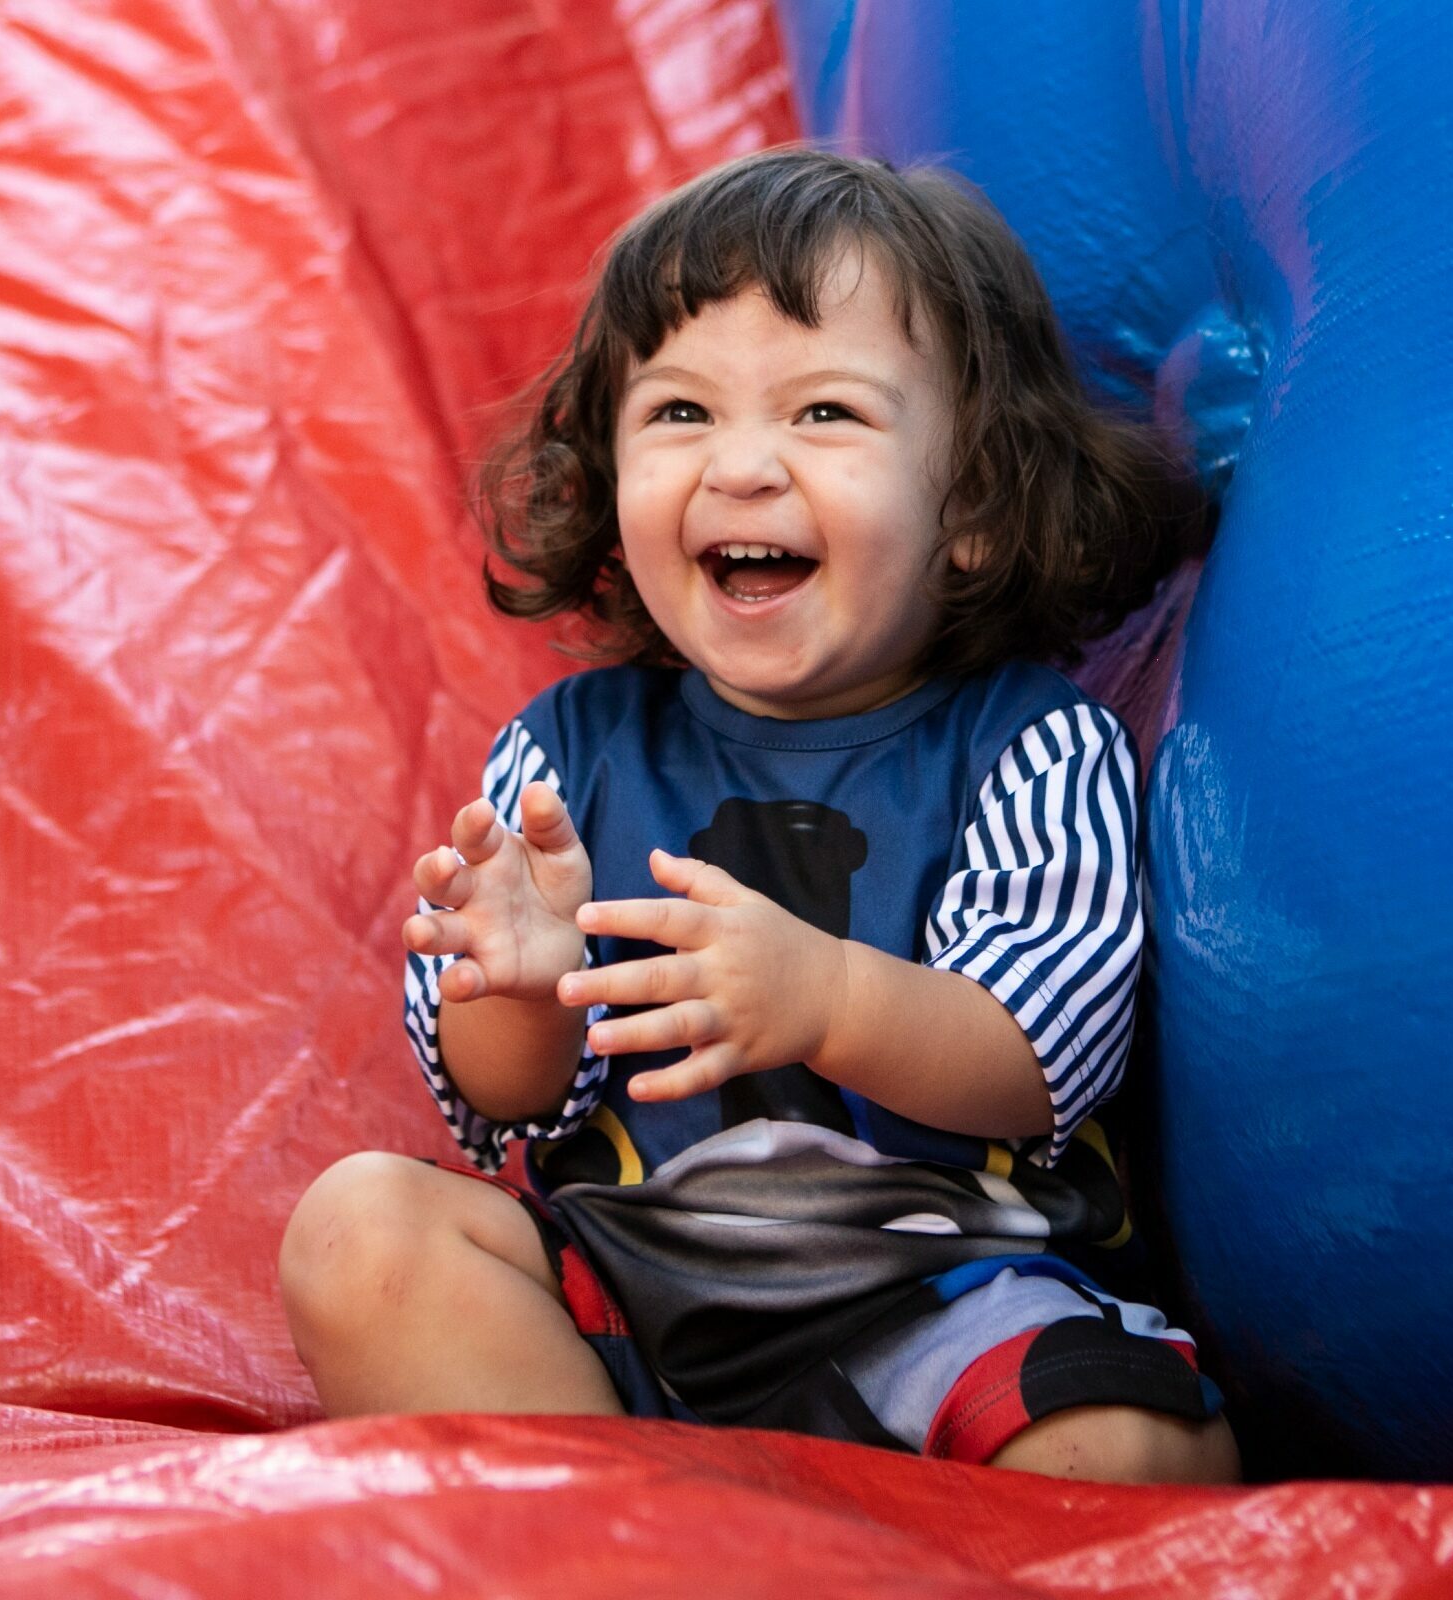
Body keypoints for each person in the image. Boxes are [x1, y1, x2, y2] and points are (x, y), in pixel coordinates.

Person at [278, 148, 1238, 1484]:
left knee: (1132, 1447)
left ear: (968, 505)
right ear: (608, 486)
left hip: (940, 1295)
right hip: (628, 1310)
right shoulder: (565, 757)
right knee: (355, 1229)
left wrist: (827, 999)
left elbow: (1039, 1057)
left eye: (824, 414)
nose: (740, 467)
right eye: (678, 415)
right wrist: (519, 987)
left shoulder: (1028, 748)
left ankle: (778, 1534)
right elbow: (490, 1109)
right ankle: (620, 1535)